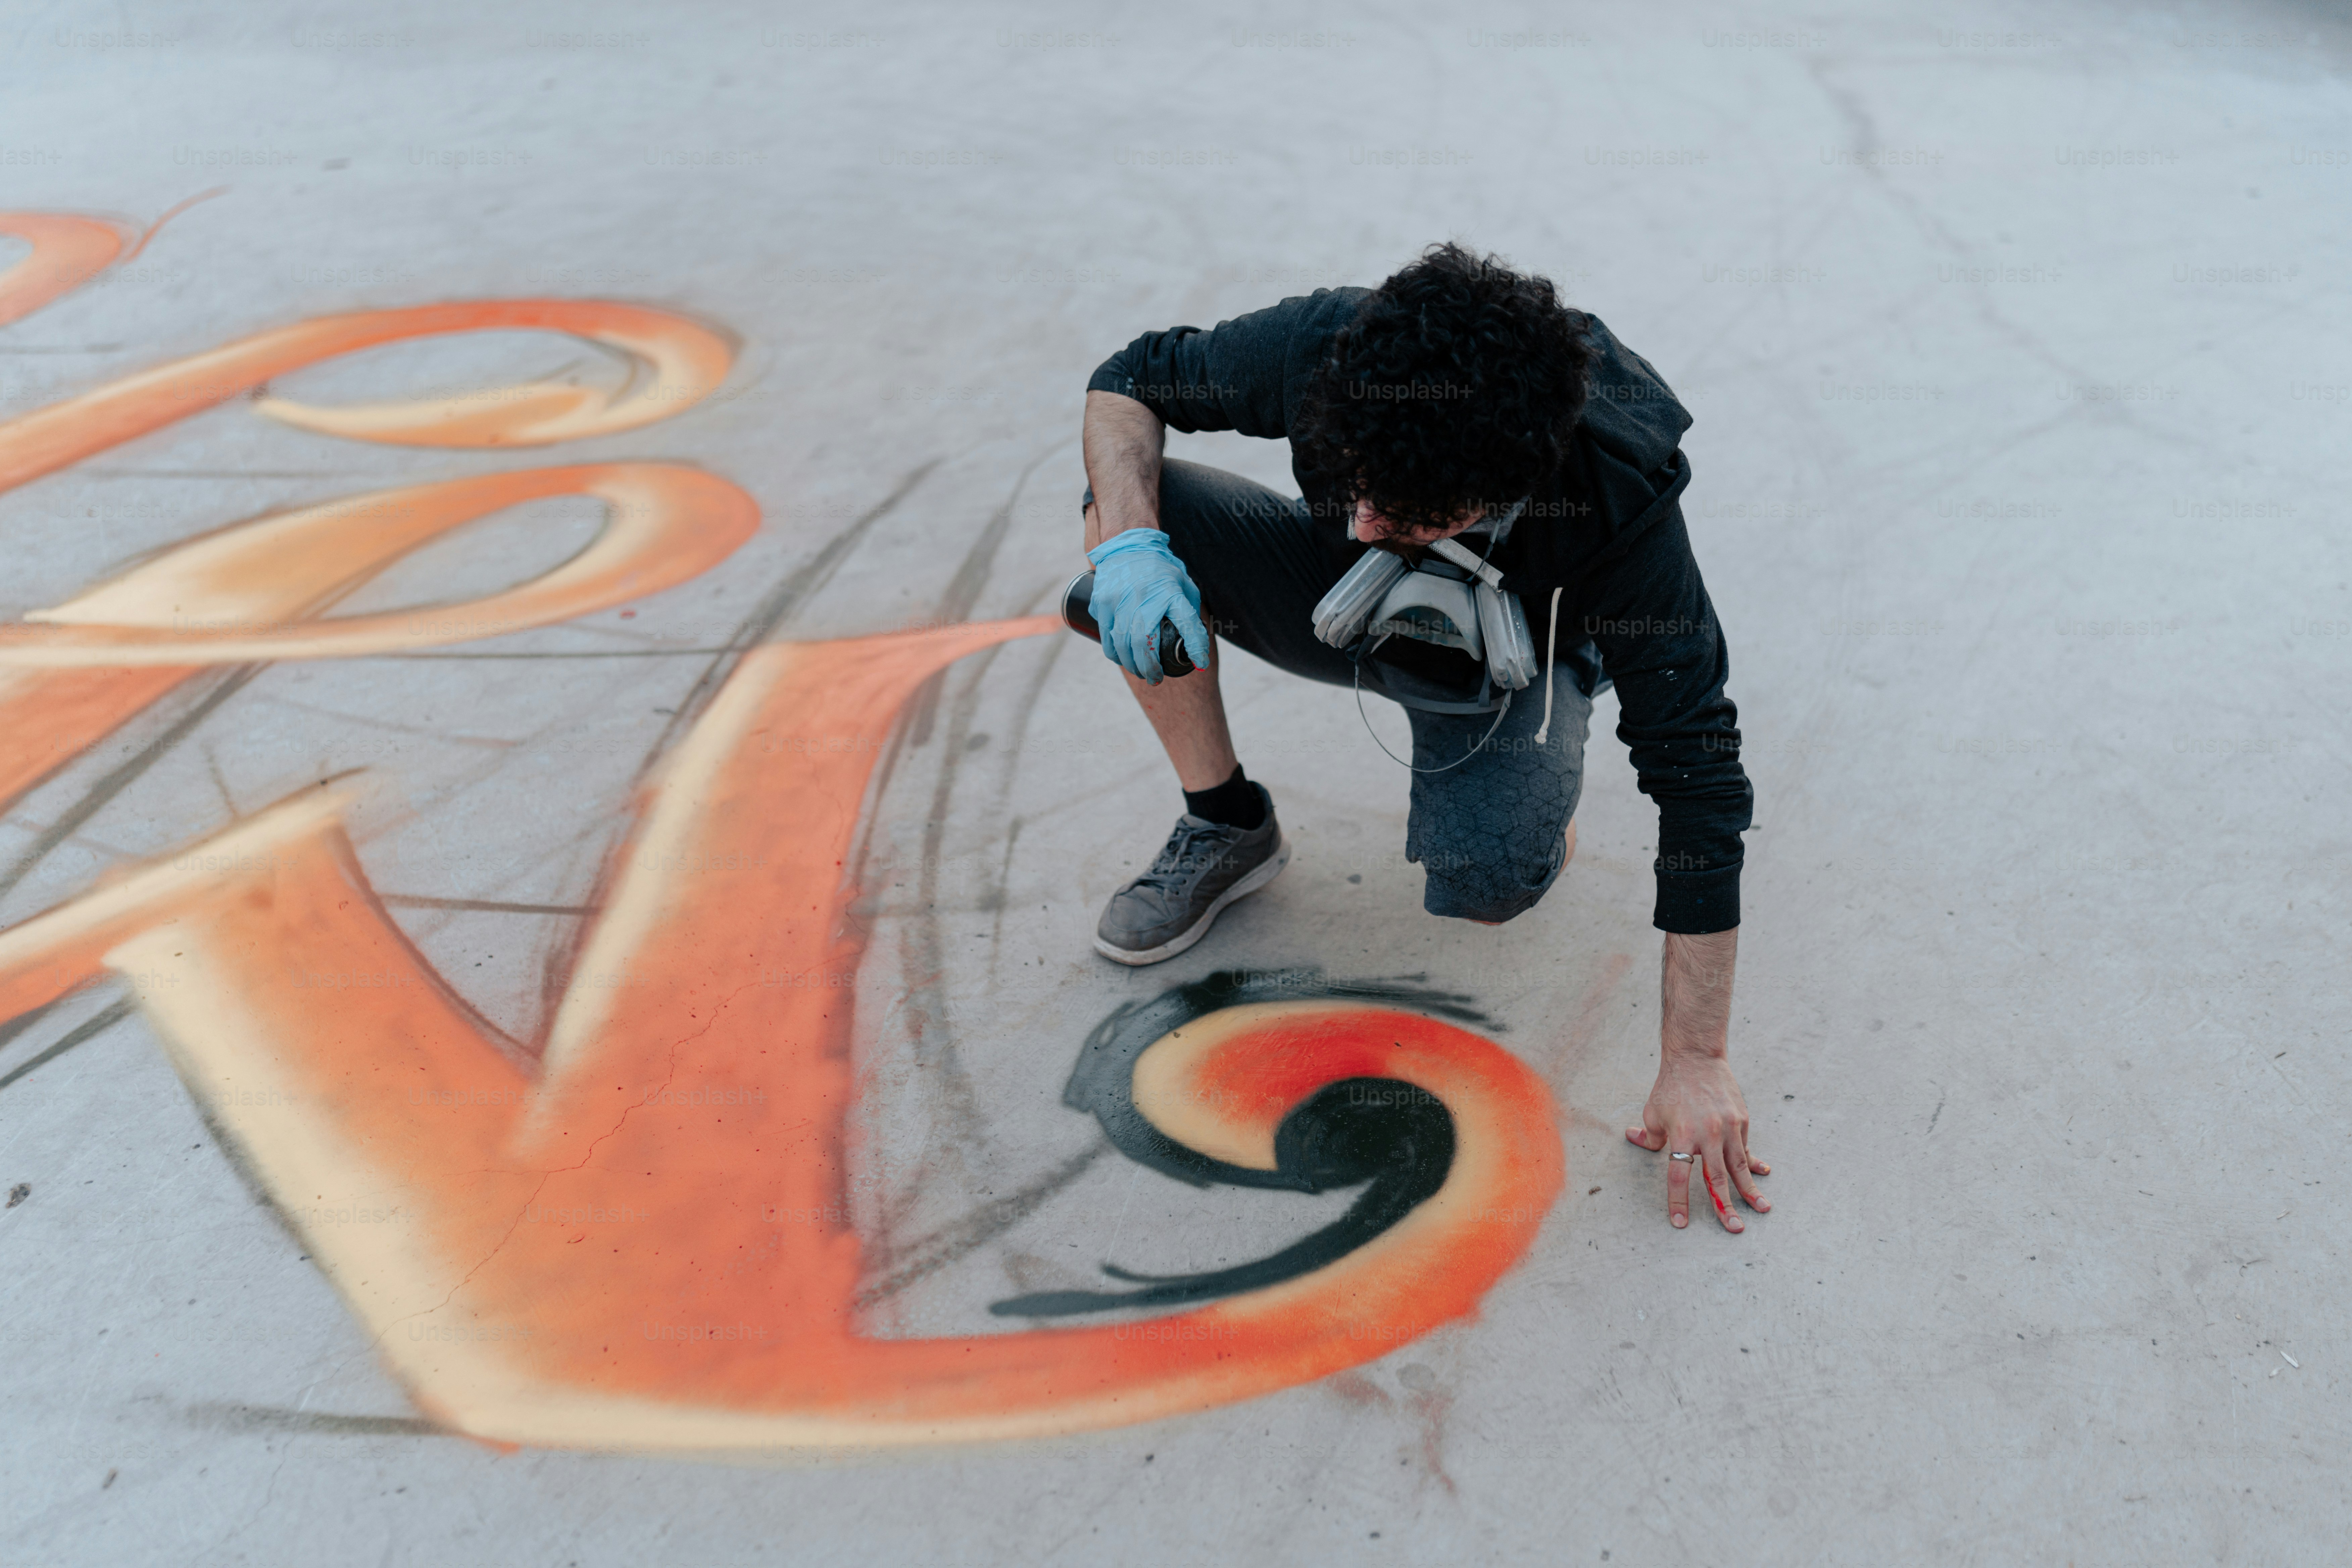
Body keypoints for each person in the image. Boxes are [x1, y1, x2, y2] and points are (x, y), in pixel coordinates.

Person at [1077, 242, 1766, 1233]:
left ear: (1509, 487)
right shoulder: (1332, 348)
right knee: (1119, 521)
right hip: (1335, 607)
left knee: (1488, 879)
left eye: (1400, 510)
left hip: (1509, 657)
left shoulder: (1616, 487)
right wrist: (1134, 543)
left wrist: (1696, 1062)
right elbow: (1124, 383)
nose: (1359, 521)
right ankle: (1227, 821)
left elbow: (1700, 773)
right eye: (1355, 484)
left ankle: (1538, 759)